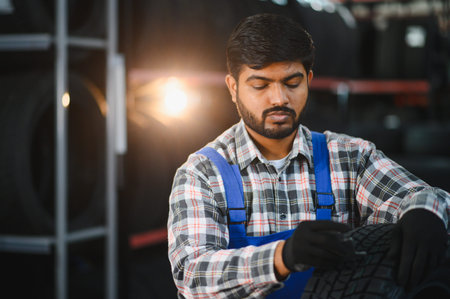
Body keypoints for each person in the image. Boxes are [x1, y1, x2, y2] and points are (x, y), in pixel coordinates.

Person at [167, 13, 449, 298]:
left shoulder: (349, 158)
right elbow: (193, 277)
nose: (279, 98)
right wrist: (282, 257)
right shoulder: (202, 173)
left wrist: (424, 211)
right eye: (261, 85)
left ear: (309, 80)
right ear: (233, 87)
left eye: (292, 82)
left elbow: (419, 194)